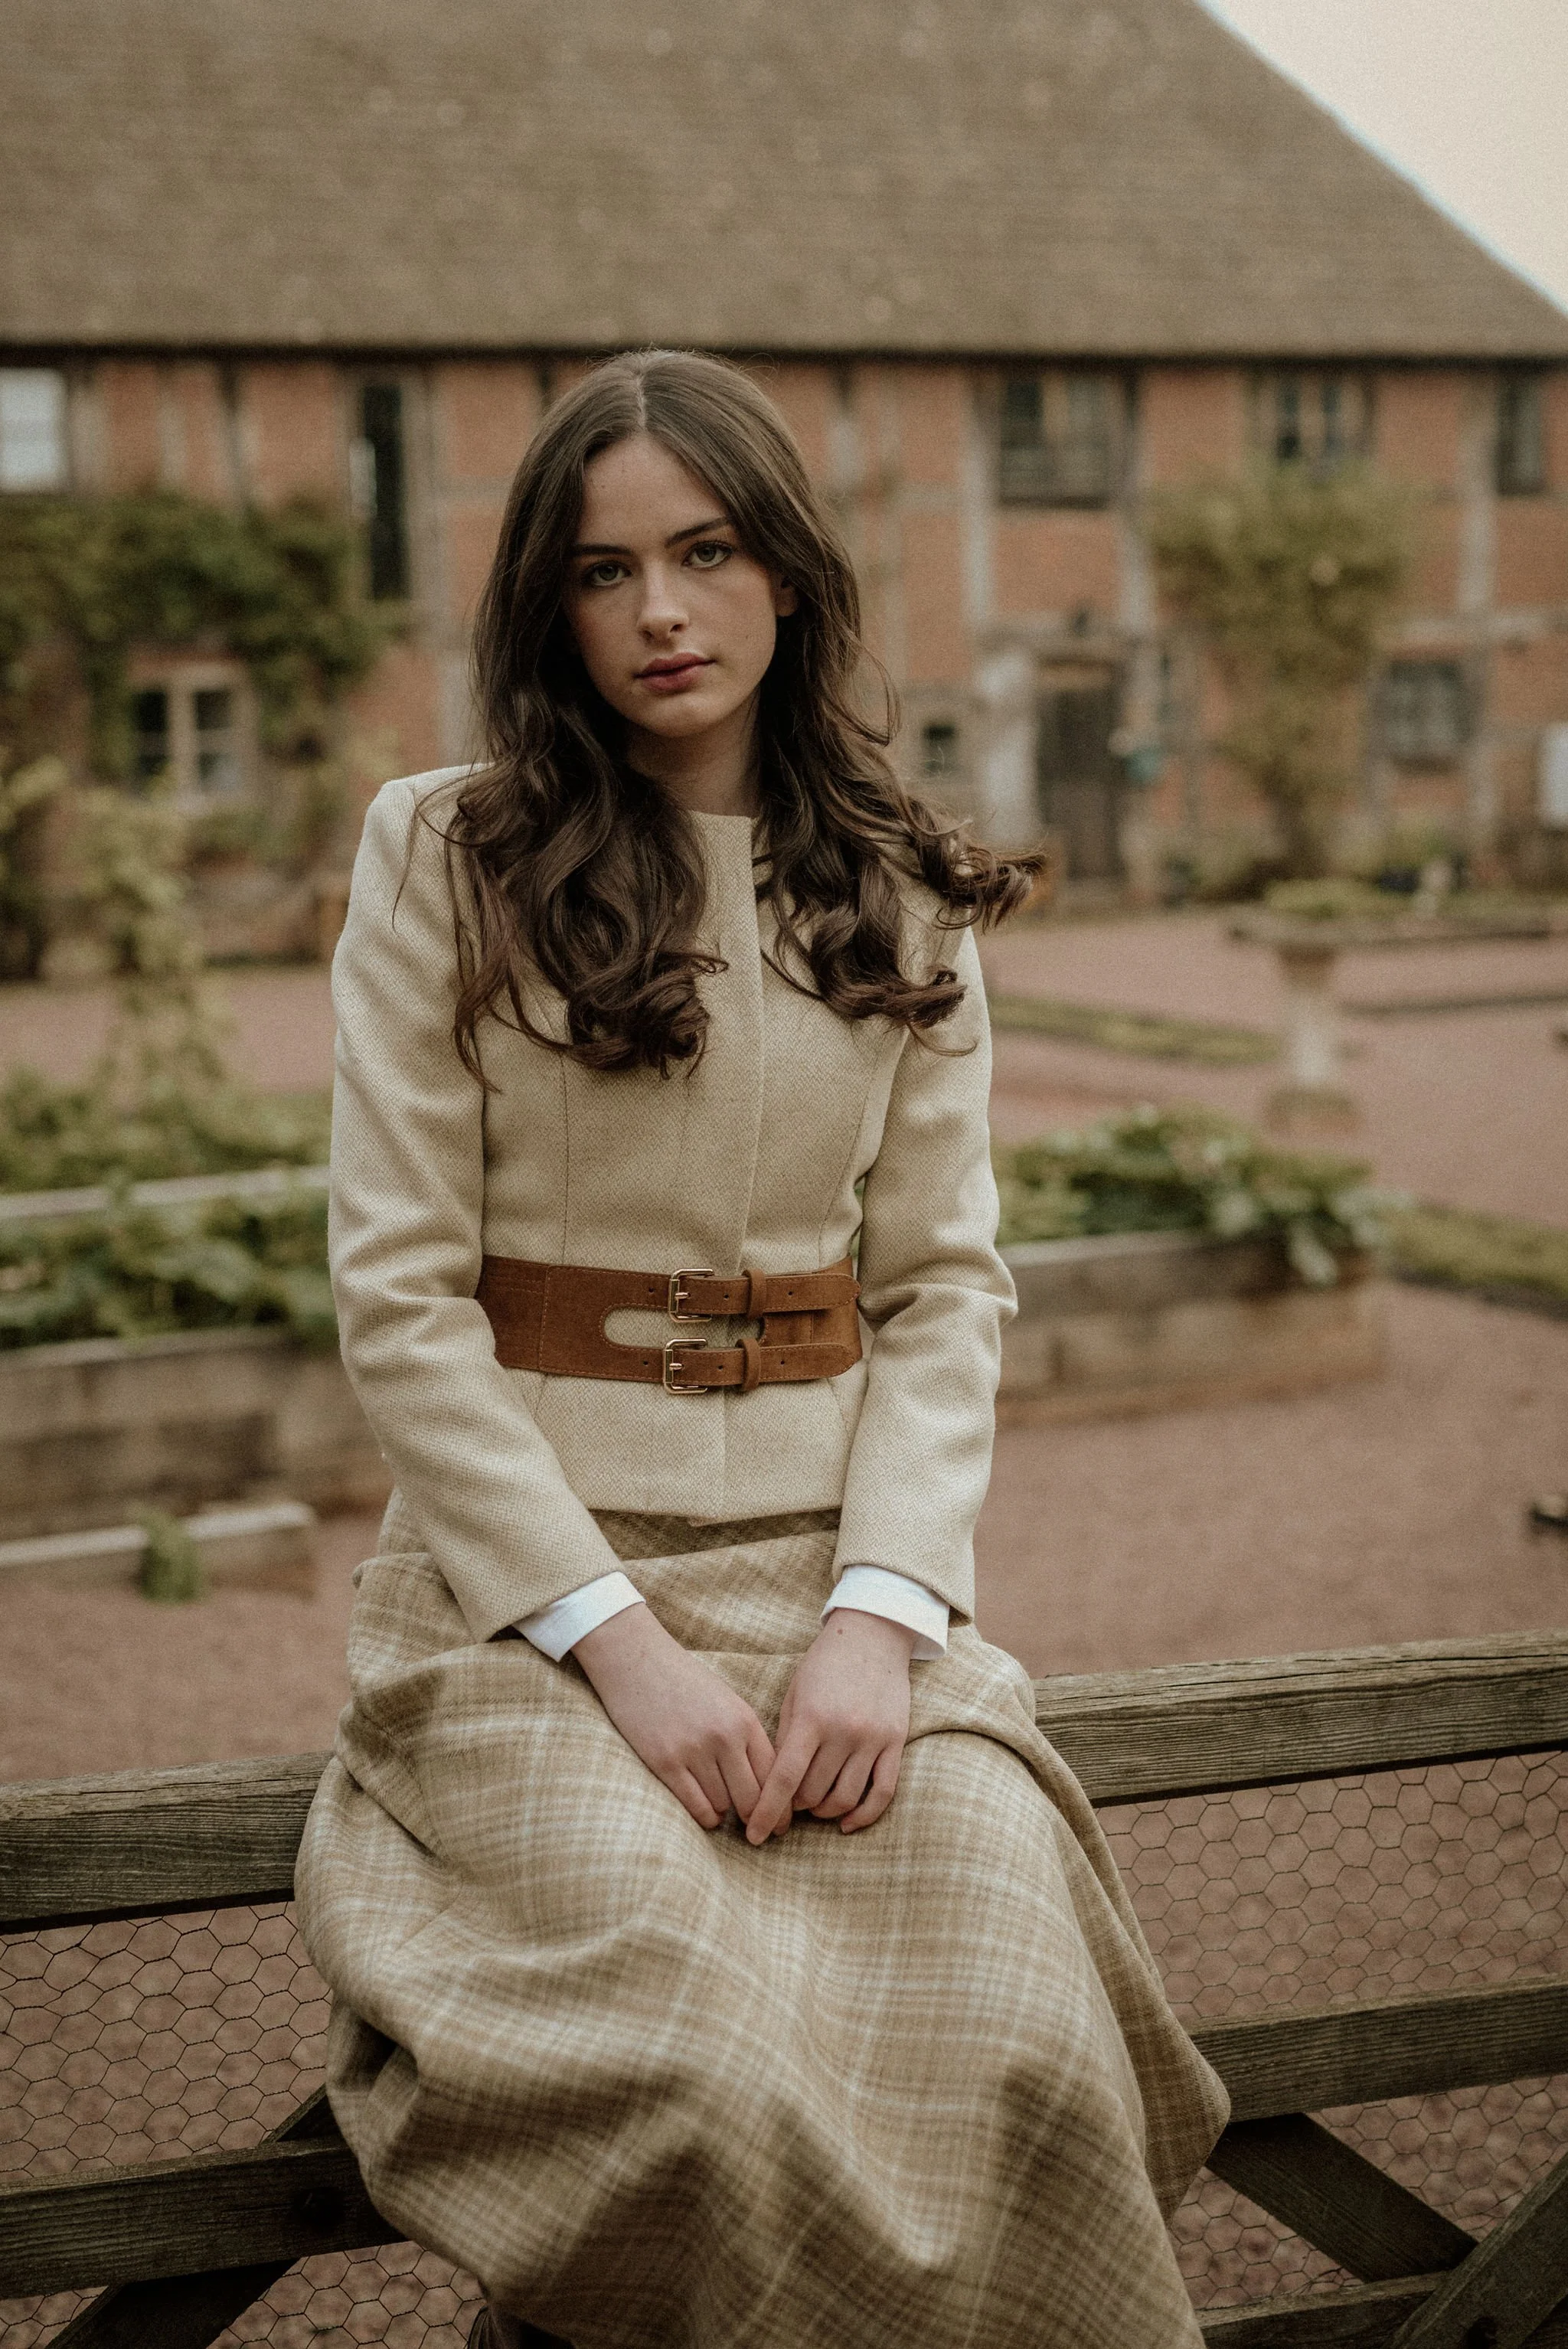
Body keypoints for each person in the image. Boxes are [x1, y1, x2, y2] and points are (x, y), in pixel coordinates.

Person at [295, 348, 1227, 2349]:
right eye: (604, 568)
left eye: (707, 551)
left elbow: (943, 1291)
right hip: (522, 1612)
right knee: (702, 2069)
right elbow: (397, 1298)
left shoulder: (903, 891)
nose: (661, 612)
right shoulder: (440, 855)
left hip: (831, 1595)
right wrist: (614, 1645)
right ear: (548, 604)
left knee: (1018, 2033)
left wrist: (882, 1625)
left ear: (786, 573)